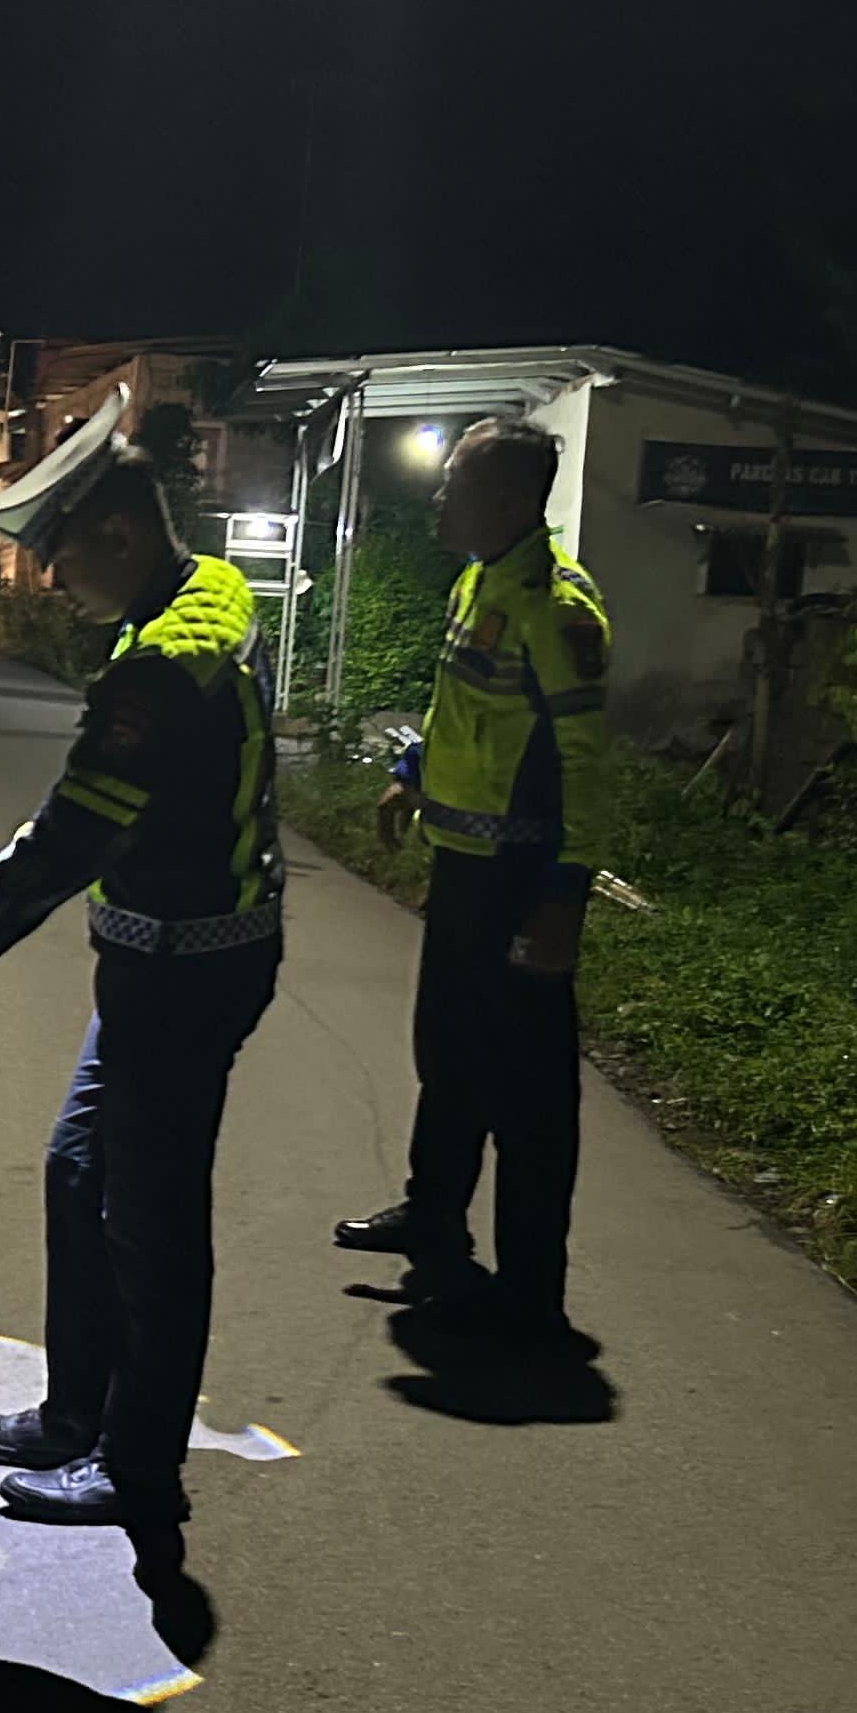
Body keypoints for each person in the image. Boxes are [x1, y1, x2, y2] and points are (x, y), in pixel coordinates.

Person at [0, 406, 283, 1529]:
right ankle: (75, 1412)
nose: (47, 579)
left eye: (61, 553)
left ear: (127, 538)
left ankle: (137, 1467)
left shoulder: (159, 672)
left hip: (180, 976)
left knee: (152, 1223)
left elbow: (57, 852)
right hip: (173, 954)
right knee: (77, 1173)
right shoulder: (213, 597)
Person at [334, 414, 612, 1336]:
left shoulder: (557, 610)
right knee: (448, 1055)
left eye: (454, 480)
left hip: (521, 884)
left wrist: (562, 900)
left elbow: (587, 768)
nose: (440, 495)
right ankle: (434, 1212)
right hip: (462, 868)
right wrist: (409, 776)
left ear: (504, 497)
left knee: (530, 1098)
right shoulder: (477, 583)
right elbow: (466, 712)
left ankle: (532, 1293)